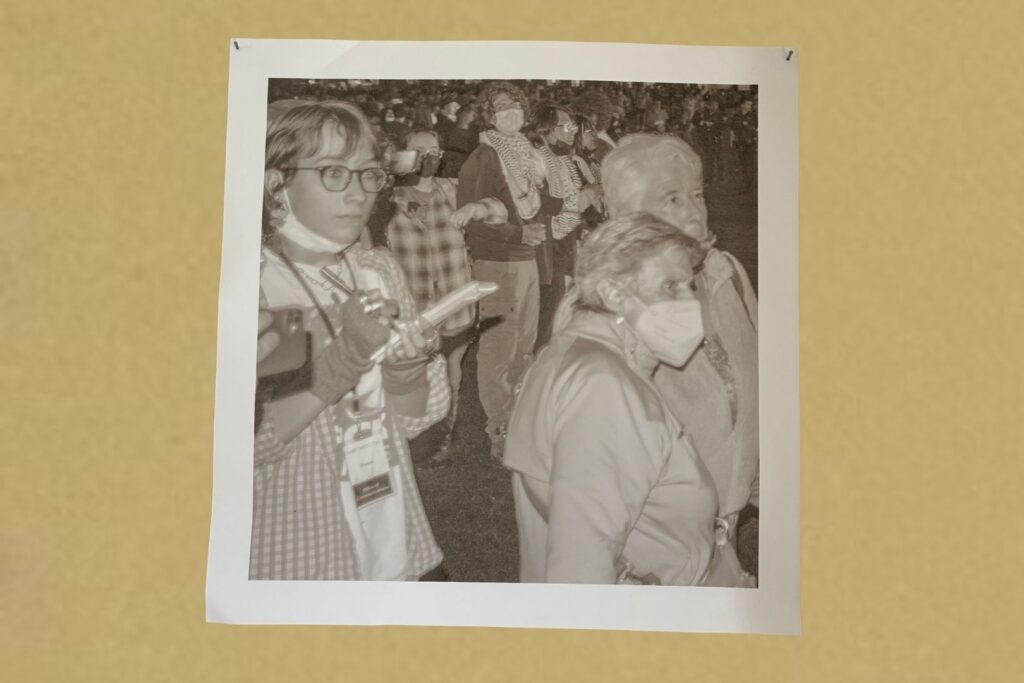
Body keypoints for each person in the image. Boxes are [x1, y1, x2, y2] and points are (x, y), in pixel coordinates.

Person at [252, 99, 450, 581]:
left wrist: (406, 373)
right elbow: (262, 437)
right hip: (306, 539)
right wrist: (347, 352)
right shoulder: (268, 289)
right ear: (276, 184)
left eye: (367, 174)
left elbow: (413, 421)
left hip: (387, 518)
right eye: (333, 173)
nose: (358, 192)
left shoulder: (374, 271)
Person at [504, 213, 722, 585]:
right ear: (614, 295)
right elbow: (582, 563)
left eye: (690, 286)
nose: (690, 303)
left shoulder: (576, 354)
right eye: (670, 286)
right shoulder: (604, 389)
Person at [600, 134, 759, 567]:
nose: (694, 210)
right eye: (671, 199)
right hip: (650, 547)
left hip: (727, 531)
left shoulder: (727, 274)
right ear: (627, 217)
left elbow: (757, 387)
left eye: (696, 194)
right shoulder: (603, 306)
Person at [386, 130, 507, 463]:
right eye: (418, 151)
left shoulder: (451, 190)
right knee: (409, 374)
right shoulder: (387, 197)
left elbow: (502, 209)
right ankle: (406, 439)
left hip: (454, 303)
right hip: (410, 305)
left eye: (434, 150)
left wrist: (478, 207)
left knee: (451, 372)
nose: (428, 157)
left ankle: (441, 439)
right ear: (404, 154)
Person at [457, 81, 563, 459]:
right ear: (489, 114)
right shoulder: (484, 156)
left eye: (515, 104)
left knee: (524, 344)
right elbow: (468, 217)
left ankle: (521, 416)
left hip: (526, 259)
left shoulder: (527, 154)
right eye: (501, 106)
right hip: (498, 261)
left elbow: (535, 205)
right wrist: (519, 231)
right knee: (500, 346)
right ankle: (498, 428)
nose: (510, 111)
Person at [530, 102, 603, 350]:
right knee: (551, 318)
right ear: (547, 129)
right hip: (550, 246)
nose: (573, 130)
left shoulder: (562, 158)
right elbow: (538, 202)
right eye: (567, 125)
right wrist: (585, 197)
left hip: (566, 241)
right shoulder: (537, 158)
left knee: (564, 314)